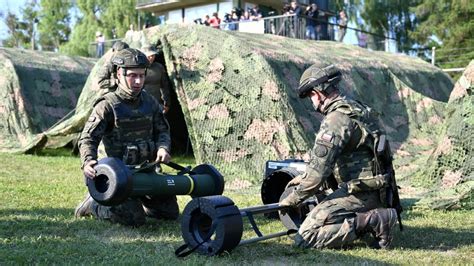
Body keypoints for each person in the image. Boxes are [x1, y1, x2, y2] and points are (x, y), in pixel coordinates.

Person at [279, 64, 402, 249]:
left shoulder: (336, 120)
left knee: (305, 237)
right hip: (380, 192)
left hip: (361, 195)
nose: (312, 102)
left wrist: (292, 199)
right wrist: (303, 179)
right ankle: (372, 218)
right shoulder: (358, 109)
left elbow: (318, 173)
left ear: (318, 93)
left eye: (311, 95)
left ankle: (373, 221)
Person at [74, 48, 178, 226]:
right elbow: (88, 138)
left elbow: (162, 130)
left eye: (141, 75)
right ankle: (95, 203)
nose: (138, 81)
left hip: (146, 171)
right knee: (134, 220)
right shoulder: (107, 105)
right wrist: (88, 161)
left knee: (169, 213)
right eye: (132, 76)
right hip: (117, 176)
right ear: (119, 74)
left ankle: (136, 200)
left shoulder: (150, 102)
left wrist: (163, 147)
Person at [141, 45, 171, 114]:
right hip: (142, 106)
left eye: (153, 55)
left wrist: (166, 103)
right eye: (148, 56)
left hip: (158, 104)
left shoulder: (159, 67)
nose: (151, 57)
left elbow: (164, 86)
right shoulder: (138, 69)